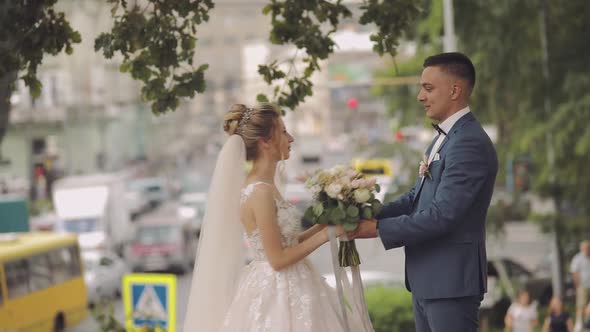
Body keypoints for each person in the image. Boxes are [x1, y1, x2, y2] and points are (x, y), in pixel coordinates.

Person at [183, 103, 373, 331]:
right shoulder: (259, 192)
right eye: (283, 132)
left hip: (294, 281)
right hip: (278, 291)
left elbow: (288, 243)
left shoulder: (267, 187)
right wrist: (327, 234)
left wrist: (324, 224)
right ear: (265, 141)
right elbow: (278, 260)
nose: (290, 138)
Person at [350, 52, 498, 332]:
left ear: (455, 90)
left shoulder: (468, 143)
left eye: (428, 88)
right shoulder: (443, 140)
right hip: (428, 280)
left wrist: (376, 227)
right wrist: (364, 211)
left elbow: (443, 215)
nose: (420, 96)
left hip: (450, 283)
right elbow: (414, 200)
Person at [572, 240, 590, 331]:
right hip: (583, 285)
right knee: (581, 305)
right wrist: (578, 285)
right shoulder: (578, 258)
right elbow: (575, 272)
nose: (587, 249)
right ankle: (579, 323)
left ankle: (587, 322)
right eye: (585, 247)